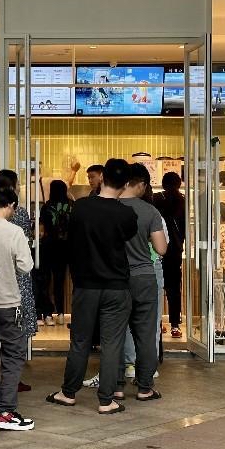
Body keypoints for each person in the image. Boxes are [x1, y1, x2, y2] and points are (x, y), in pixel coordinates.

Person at [45, 159, 137, 414]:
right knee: (112, 344)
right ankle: (106, 400)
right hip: (117, 286)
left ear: (103, 177)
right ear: (126, 184)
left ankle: (68, 392)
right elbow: (127, 236)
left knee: (80, 341)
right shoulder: (127, 214)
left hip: (86, 285)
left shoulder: (81, 208)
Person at [0, 188, 35, 432]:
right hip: (8, 303)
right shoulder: (14, 231)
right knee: (13, 356)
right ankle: (5, 411)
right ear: (11, 205)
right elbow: (25, 266)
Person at [115, 164, 167, 401]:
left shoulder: (110, 208)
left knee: (115, 333)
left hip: (116, 278)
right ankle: (145, 387)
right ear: (142, 184)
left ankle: (116, 386)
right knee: (146, 334)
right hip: (144, 277)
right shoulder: (149, 211)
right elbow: (161, 248)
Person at [153, 172, 185, 338]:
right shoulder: (182, 200)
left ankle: (158, 323)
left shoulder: (156, 199)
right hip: (175, 251)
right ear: (179, 184)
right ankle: (175, 325)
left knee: (157, 288)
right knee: (174, 290)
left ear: (163, 183)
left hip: (157, 248)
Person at [38, 180, 74, 326]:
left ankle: (47, 314)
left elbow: (41, 229)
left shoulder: (46, 206)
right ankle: (60, 314)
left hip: (48, 247)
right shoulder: (72, 205)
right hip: (66, 248)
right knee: (60, 281)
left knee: (46, 281)